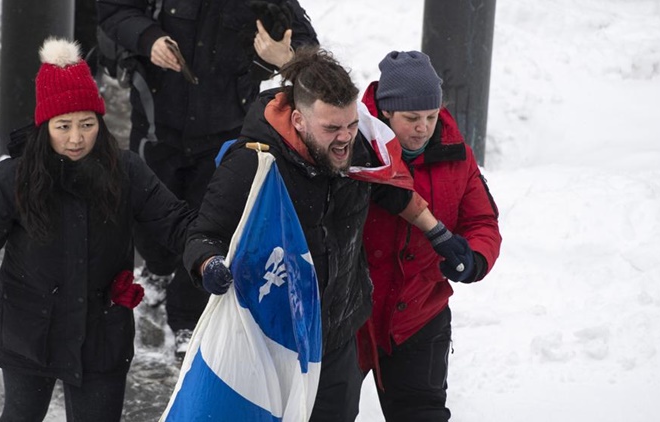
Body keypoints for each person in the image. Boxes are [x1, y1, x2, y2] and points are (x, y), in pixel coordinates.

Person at [182, 46, 473, 422]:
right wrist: (210, 265)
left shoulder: (362, 148)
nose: (345, 139)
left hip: (336, 336)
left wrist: (438, 234)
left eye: (351, 125)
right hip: (272, 342)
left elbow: (393, 191)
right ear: (299, 121)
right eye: (332, 128)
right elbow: (203, 234)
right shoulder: (254, 162)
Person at [0, 38, 193, 421]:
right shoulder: (13, 178)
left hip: (101, 338)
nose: (76, 138)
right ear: (45, 125)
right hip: (29, 334)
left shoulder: (125, 170)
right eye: (63, 126)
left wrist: (207, 252)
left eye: (87, 124)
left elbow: (175, 222)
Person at [97, 0, 319, 359]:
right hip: (157, 126)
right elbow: (113, 10)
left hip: (224, 133)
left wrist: (286, 56)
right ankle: (157, 267)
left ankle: (187, 318)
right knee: (149, 217)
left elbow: (311, 50)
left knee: (209, 227)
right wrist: (149, 38)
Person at [358, 50, 502, 421]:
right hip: (349, 316)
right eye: (411, 118)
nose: (423, 127)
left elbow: (482, 221)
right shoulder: (351, 143)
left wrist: (474, 258)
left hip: (419, 314)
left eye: (431, 116)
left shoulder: (457, 155)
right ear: (386, 112)